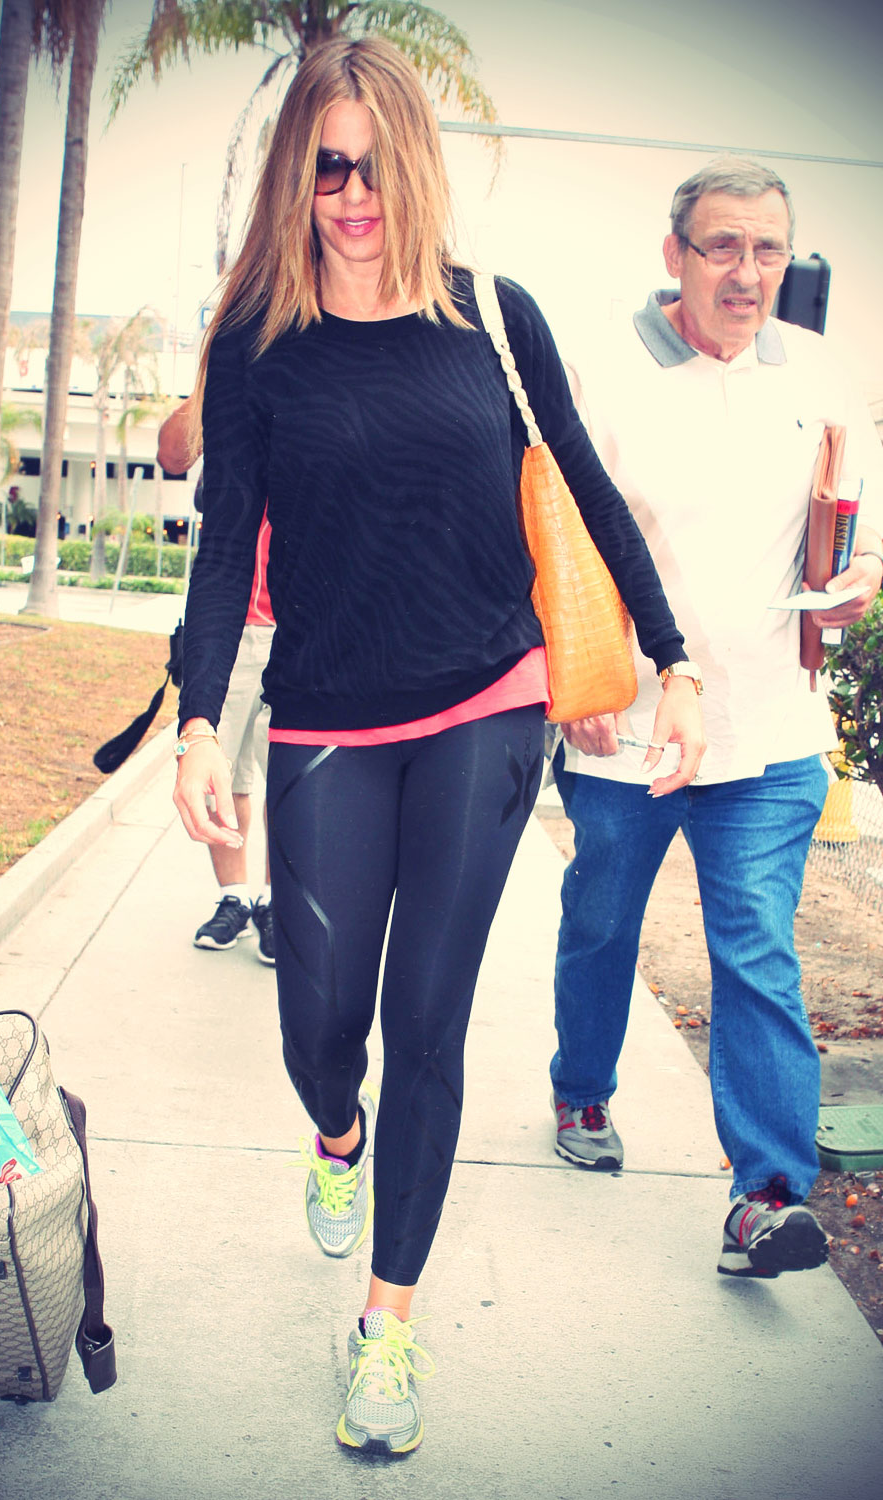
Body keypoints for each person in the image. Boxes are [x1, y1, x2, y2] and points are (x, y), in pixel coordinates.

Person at [172, 36, 703, 1454]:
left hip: (488, 700)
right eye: (323, 167)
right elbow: (226, 551)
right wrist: (194, 726)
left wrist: (674, 658)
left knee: (428, 1024)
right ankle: (334, 1136)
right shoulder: (259, 349)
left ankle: (386, 1327)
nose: (349, 195)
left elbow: (581, 485)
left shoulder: (496, 319)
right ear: (301, 174)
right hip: (330, 717)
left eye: (370, 164)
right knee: (319, 1021)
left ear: (413, 163)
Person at [549, 157, 883, 1281]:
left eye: (768, 248)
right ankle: (580, 1090)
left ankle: (767, 1197)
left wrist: (858, 581)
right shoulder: (603, 373)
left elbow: (858, 536)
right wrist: (577, 680)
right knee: (601, 924)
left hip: (770, 732)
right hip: (629, 726)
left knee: (756, 955)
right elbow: (553, 539)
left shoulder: (825, 375)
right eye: (722, 247)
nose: (747, 272)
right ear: (674, 258)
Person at [156, 403, 276, 964]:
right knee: (227, 775)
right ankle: (236, 898)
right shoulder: (235, 382)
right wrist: (219, 373)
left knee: (294, 780)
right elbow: (171, 454)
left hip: (305, 628)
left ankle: (277, 904)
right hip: (231, 628)